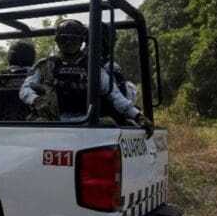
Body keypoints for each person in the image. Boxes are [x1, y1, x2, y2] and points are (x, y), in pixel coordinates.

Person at [19, 19, 154, 137]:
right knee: (32, 125)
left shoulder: (93, 66)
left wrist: (138, 116)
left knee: (108, 124)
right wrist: (36, 100)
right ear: (57, 40)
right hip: (53, 122)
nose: (68, 44)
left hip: (88, 123)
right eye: (64, 39)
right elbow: (25, 89)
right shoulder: (45, 64)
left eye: (73, 39)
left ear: (81, 41)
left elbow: (115, 95)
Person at [0, 41, 36, 120]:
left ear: (10, 58)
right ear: (32, 58)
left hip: (2, 122)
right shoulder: (37, 77)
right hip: (32, 123)